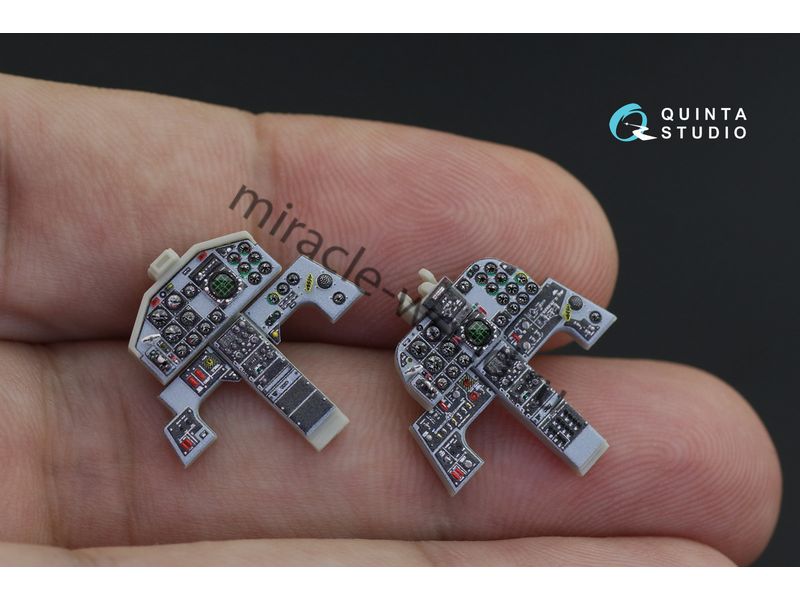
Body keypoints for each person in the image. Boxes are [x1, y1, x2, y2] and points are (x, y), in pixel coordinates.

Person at [0, 73, 780, 566]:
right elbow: (280, 310)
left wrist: (326, 299)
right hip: (434, 362)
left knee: (509, 403)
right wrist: (192, 411)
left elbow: (309, 289)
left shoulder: (461, 311)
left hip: (481, 361)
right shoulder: (396, 348)